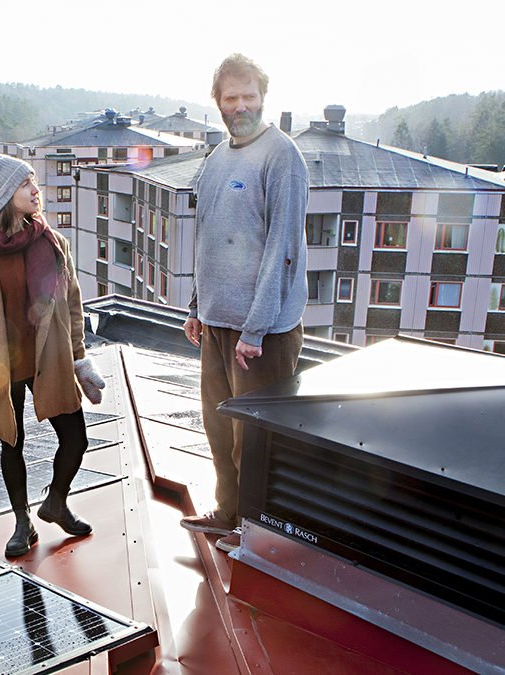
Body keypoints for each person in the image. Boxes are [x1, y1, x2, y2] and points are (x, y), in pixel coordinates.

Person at [179, 54, 308, 552]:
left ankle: (258, 534)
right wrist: (196, 306)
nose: (240, 106)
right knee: (219, 428)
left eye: (248, 95)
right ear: (218, 104)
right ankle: (229, 514)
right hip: (216, 323)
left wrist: (255, 330)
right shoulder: (217, 158)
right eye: (230, 98)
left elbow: (284, 246)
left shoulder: (282, 157)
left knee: (253, 442)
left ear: (264, 95)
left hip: (262, 333)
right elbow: (208, 236)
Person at [0, 154, 106, 558]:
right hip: (1, 361)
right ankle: (23, 522)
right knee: (11, 443)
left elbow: (72, 304)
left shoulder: (52, 241)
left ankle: (56, 502)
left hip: (49, 357)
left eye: (33, 181)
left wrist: (79, 359)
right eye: (26, 185)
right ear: (5, 196)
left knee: (76, 439)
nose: (36, 191)